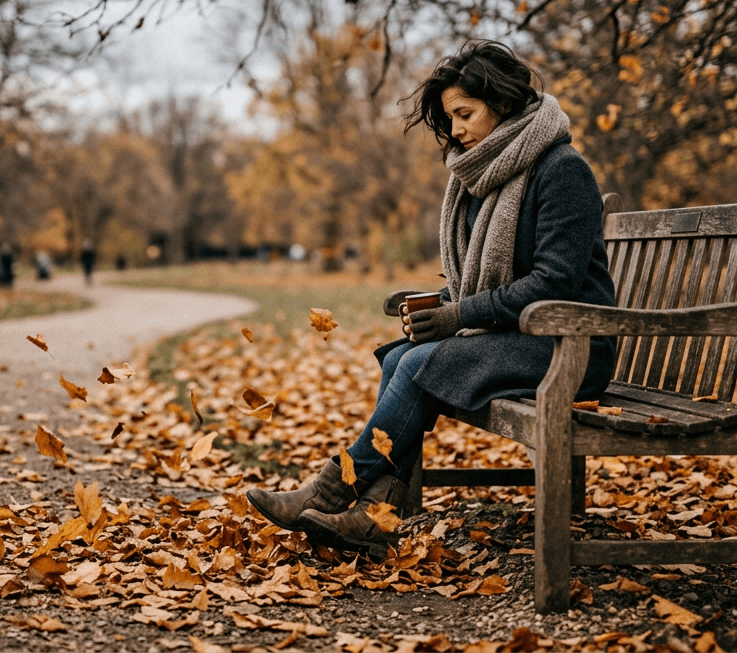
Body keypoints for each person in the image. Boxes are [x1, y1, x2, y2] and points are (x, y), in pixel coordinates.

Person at [246, 40, 617, 560]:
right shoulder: (485, 176)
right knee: (402, 355)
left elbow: (553, 283)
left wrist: (457, 315)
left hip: (572, 345)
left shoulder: (561, 170)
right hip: (523, 338)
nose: (457, 130)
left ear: (504, 102)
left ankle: (333, 490)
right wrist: (439, 304)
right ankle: (375, 514)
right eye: (451, 119)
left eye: (465, 114)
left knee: (422, 362)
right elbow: (482, 277)